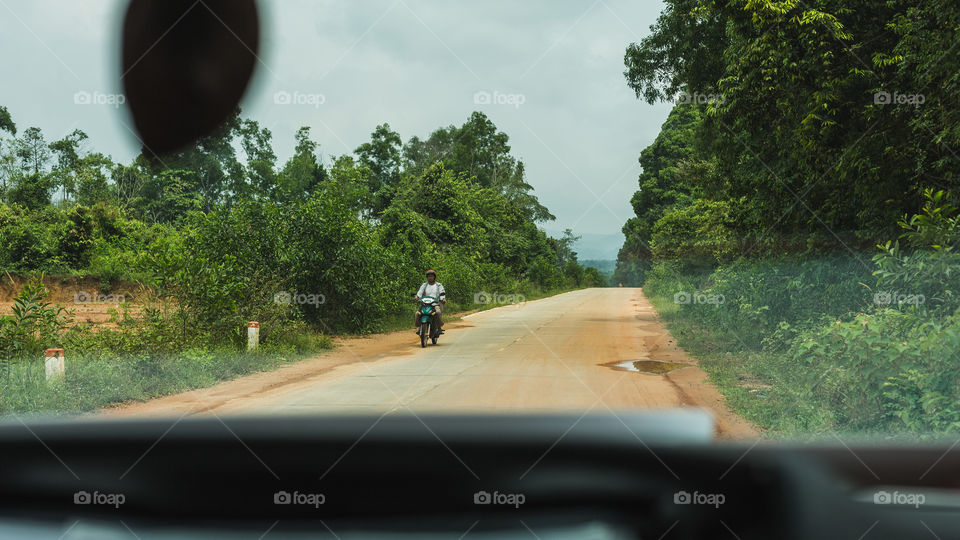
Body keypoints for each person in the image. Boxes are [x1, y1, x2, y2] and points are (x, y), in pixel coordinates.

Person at [415, 269, 446, 334]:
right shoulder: (424, 285)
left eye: (431, 276)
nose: (430, 278)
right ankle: (419, 327)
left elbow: (442, 292)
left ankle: (439, 327)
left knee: (438, 312)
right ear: (427, 277)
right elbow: (420, 292)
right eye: (428, 276)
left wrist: (443, 299)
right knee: (417, 314)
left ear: (434, 277)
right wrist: (417, 297)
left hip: (435, 304)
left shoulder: (439, 285)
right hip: (425, 304)